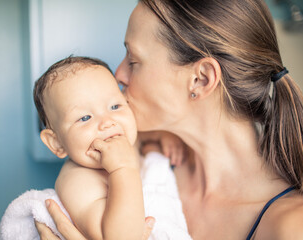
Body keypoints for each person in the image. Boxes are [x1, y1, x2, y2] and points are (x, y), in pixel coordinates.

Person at [36, 0, 303, 239]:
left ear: (200, 79)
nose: (118, 75)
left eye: (134, 61)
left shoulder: (298, 230)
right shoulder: (146, 158)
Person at [33, 56, 191, 239]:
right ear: (57, 143)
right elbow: (117, 236)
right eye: (85, 118)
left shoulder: (120, 138)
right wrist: (123, 169)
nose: (108, 122)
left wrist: (160, 135)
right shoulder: (77, 181)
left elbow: (138, 134)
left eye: (115, 106)